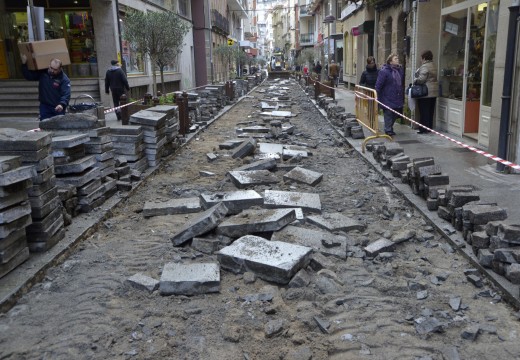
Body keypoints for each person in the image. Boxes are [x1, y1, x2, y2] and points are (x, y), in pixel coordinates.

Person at [21, 55, 71, 121]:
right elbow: (29, 76)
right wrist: (24, 64)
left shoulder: (64, 79)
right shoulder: (43, 73)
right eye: (51, 68)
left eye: (55, 69)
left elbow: (66, 94)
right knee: (44, 127)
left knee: (59, 128)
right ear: (49, 65)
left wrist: (62, 104)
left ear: (60, 69)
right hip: (45, 106)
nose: (52, 71)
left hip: (57, 107)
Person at [375, 53, 404, 136]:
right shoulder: (384, 71)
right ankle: (388, 129)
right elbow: (378, 84)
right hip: (387, 96)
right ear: (390, 62)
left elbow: (400, 83)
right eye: (395, 59)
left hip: (397, 96)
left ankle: (390, 127)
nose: (397, 60)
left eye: (397, 58)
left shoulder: (399, 70)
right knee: (388, 114)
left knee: (395, 114)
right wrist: (377, 95)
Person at [413, 50, 438, 134]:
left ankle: (423, 129)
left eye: (421, 58)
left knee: (424, 111)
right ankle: (429, 128)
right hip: (433, 92)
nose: (420, 59)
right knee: (430, 111)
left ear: (424, 58)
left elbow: (421, 79)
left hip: (426, 92)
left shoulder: (425, 66)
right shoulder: (433, 65)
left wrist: (415, 80)